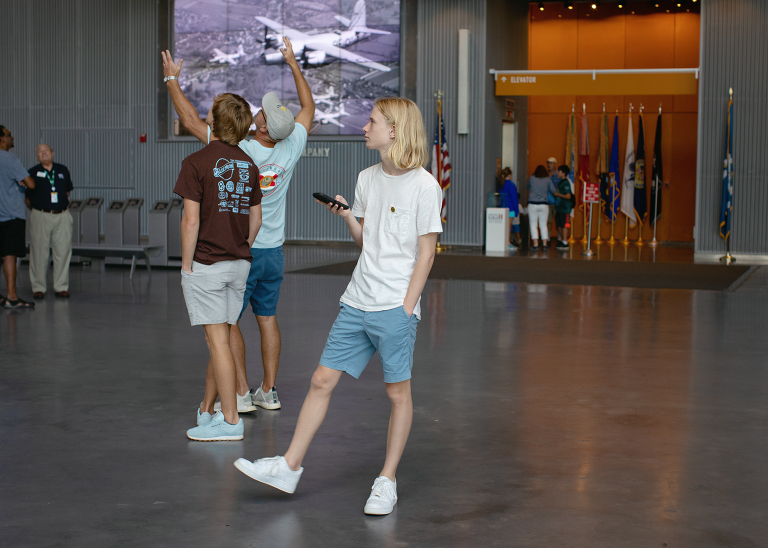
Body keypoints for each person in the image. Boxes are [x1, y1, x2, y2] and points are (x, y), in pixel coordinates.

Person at [234, 97, 443, 516]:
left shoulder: (425, 186)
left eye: (371, 122)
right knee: (320, 380)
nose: (364, 128)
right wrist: (349, 218)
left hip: (394, 308)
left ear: (394, 131)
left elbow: (426, 254)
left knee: (397, 394)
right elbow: (369, 242)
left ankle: (387, 480)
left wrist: (406, 309)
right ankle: (289, 466)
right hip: (357, 300)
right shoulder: (367, 177)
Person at [162, 36, 314, 415]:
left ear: (262, 130)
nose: (259, 113)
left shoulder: (240, 150)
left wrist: (172, 80)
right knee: (268, 318)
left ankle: (242, 393)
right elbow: (309, 107)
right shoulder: (292, 143)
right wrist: (294, 64)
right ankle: (269, 391)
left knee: (228, 324)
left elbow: (190, 121)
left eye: (263, 114)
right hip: (274, 250)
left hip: (243, 247)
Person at [175, 93, 263, 441]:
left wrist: (186, 266)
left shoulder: (196, 162)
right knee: (221, 339)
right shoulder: (249, 165)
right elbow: (256, 219)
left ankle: (230, 421)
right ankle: (209, 410)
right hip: (239, 264)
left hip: (207, 265)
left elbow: (190, 221)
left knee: (217, 342)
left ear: (213, 119)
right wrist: (240, 246)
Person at [26, 144, 74, 298]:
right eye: (39, 151)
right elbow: (27, 198)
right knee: (39, 252)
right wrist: (38, 210)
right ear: (37, 156)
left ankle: (61, 287)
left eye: (46, 150)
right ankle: (38, 287)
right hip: (41, 215)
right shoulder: (32, 172)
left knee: (63, 251)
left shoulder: (62, 170)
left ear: (52, 154)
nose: (43, 153)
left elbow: (67, 191)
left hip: (62, 215)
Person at [0, 125, 36, 309]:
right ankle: (11, 297)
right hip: (11, 214)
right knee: (9, 254)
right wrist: (21, 181)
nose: (11, 138)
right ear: (1, 139)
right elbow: (30, 183)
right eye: (8, 135)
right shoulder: (10, 159)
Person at [527, 165, 557, 251]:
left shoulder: (532, 178)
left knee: (533, 225)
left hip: (532, 204)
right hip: (544, 205)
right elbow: (553, 190)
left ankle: (535, 245)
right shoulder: (548, 179)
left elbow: (528, 187)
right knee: (543, 225)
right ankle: (544, 245)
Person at [498, 167, 520, 249]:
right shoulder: (511, 185)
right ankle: (507, 243)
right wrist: (516, 210)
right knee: (508, 227)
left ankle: (502, 242)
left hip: (502, 207)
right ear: (510, 175)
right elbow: (514, 198)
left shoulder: (500, 184)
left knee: (503, 226)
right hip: (510, 208)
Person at [553, 165, 573, 250]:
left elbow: (568, 196)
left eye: (559, 171)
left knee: (564, 224)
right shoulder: (561, 182)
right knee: (559, 225)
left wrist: (557, 194)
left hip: (564, 208)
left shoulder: (566, 183)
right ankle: (562, 240)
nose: (557, 172)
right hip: (559, 207)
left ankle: (565, 242)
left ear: (563, 173)